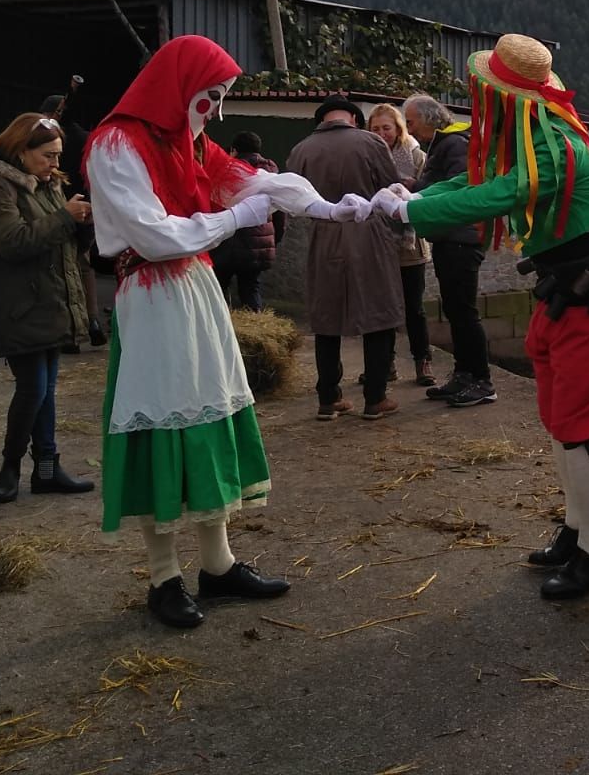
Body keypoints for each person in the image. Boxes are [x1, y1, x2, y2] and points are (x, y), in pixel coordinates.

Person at [83, 35, 366, 630]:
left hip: (197, 290)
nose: (215, 110)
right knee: (162, 420)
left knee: (210, 415)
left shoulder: (190, 143)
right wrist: (234, 219)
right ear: (180, 89)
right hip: (153, 295)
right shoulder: (117, 144)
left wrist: (337, 209)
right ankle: (164, 579)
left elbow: (262, 184)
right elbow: (154, 235)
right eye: (210, 96)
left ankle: (218, 564)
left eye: (220, 98)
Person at [373, 35, 589, 600]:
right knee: (560, 418)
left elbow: (500, 193)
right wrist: (411, 193)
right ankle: (578, 529)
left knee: (578, 428)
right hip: (569, 290)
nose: (478, 100)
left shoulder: (552, 148)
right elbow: (479, 178)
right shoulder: (531, 135)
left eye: (484, 91)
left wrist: (411, 209)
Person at [0, 113, 96, 504]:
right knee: (34, 388)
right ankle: (10, 466)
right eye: (48, 156)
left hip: (48, 299)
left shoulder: (47, 184)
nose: (55, 164)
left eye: (58, 156)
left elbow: (63, 242)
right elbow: (12, 241)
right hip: (17, 303)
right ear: (21, 151)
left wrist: (80, 221)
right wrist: (64, 217)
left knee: (46, 390)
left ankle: (46, 470)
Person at [285, 98, 406, 421]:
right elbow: (390, 188)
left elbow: (292, 199)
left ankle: (328, 398)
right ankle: (375, 397)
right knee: (378, 313)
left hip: (324, 235)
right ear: (354, 117)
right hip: (369, 235)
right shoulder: (371, 142)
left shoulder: (301, 149)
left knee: (327, 318)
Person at [402, 94, 490, 404]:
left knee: (464, 312)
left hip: (461, 238)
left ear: (428, 119)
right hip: (450, 237)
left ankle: (481, 380)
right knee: (455, 310)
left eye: (410, 122)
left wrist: (417, 193)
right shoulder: (445, 143)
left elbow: (459, 188)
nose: (409, 130)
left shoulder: (454, 144)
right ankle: (464, 374)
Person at [369, 103, 433, 385]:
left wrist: (407, 188)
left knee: (413, 308)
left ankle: (423, 363)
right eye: (376, 128)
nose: (382, 133)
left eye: (387, 127)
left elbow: (428, 189)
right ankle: (385, 365)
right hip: (377, 241)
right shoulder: (365, 156)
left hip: (410, 245)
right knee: (381, 307)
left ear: (398, 128)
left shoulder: (416, 155)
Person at [42, 80, 108, 347]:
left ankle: (72, 328)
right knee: (84, 266)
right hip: (87, 208)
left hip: (62, 207)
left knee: (64, 269)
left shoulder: (48, 143)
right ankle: (91, 321)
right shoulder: (87, 138)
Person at [209, 131, 284, 312]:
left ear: (234, 150)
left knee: (218, 289)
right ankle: (257, 330)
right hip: (257, 244)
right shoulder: (270, 174)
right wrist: (275, 238)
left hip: (226, 243)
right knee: (251, 288)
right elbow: (280, 212)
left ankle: (220, 330)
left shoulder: (226, 171)